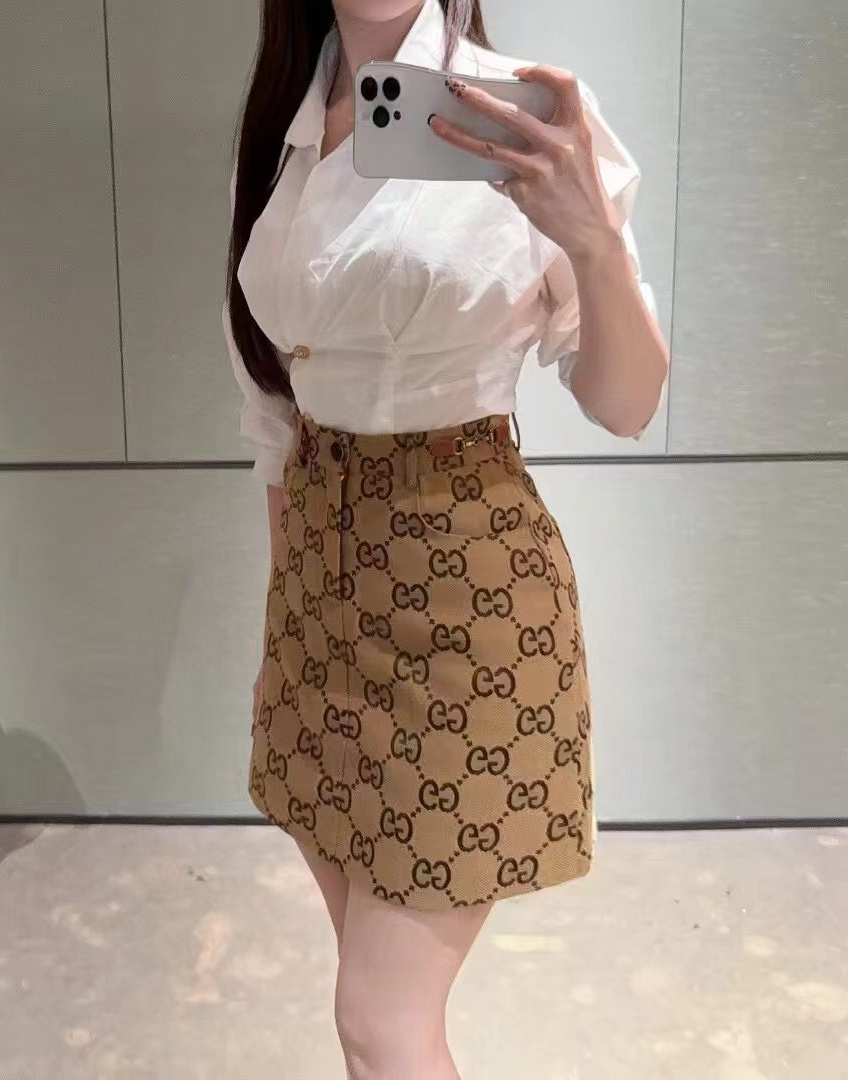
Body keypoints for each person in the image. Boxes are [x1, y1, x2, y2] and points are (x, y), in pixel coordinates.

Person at [222, 2, 669, 1077]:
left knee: (380, 1020)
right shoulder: (286, 131)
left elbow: (628, 402)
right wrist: (284, 631)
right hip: (316, 606)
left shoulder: (520, 123)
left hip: (465, 602)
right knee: (369, 1012)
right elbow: (274, 417)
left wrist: (594, 239)